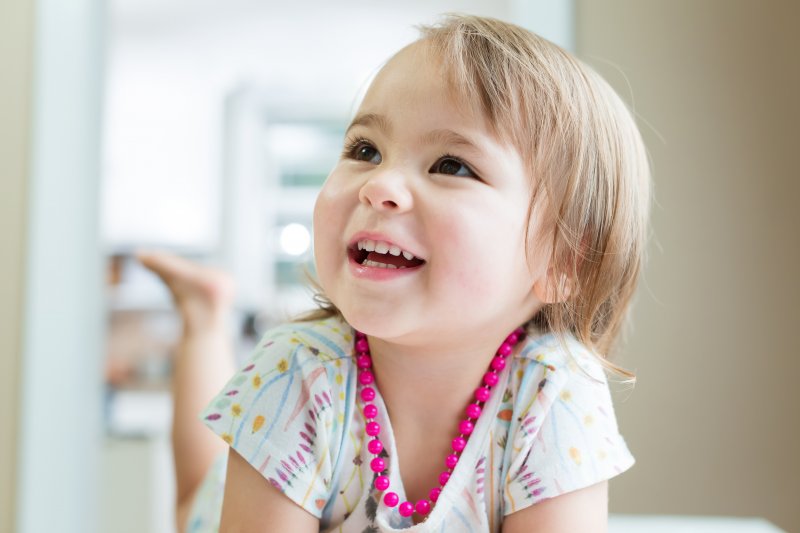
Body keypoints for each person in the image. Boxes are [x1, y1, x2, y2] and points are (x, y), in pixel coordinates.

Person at [141, 13, 651, 533]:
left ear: (564, 261)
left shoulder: (555, 391)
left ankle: (205, 306)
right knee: (190, 505)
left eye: (451, 165)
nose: (379, 184)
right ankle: (203, 316)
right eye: (365, 150)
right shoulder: (297, 372)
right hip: (228, 505)